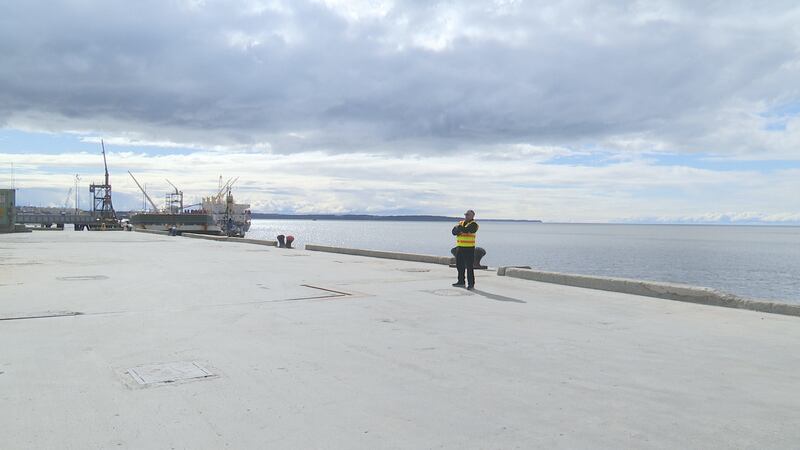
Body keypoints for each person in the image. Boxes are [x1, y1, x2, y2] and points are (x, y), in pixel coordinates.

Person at [452, 209, 479, 290]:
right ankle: (461, 281)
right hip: (459, 247)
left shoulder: (474, 224)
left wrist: (459, 228)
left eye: (468, 214)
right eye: (465, 214)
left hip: (469, 248)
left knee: (469, 267)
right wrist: (460, 230)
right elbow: (453, 232)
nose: (466, 216)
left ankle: (471, 284)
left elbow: (468, 230)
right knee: (459, 265)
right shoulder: (461, 223)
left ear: (472, 216)